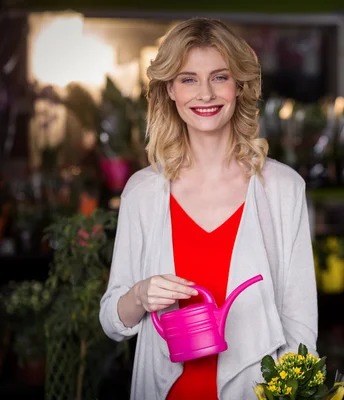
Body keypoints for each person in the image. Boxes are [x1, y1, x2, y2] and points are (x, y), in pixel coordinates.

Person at [99, 17, 318, 400]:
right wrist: (140, 295)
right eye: (188, 79)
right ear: (169, 89)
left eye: (219, 77)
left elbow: (301, 327)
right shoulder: (143, 192)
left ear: (239, 86)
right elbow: (112, 321)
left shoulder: (282, 189)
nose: (205, 94)